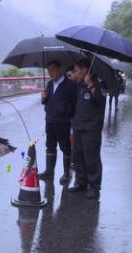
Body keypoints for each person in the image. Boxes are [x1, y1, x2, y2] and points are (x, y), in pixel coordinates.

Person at [68, 58, 107, 199]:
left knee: (92, 158)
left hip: (92, 128)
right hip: (78, 126)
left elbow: (100, 101)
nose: (76, 73)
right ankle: (81, 183)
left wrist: (91, 85)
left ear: (86, 70)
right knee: (78, 156)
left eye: (77, 70)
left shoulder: (99, 83)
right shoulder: (79, 85)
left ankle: (94, 187)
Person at [40, 61, 77, 184]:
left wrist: (69, 117)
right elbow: (47, 102)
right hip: (50, 121)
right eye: (48, 70)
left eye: (52, 70)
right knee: (50, 147)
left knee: (65, 148)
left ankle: (66, 174)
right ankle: (49, 172)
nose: (50, 73)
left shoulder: (70, 85)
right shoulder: (49, 84)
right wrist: (44, 98)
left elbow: (74, 104)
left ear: (59, 69)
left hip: (63, 122)